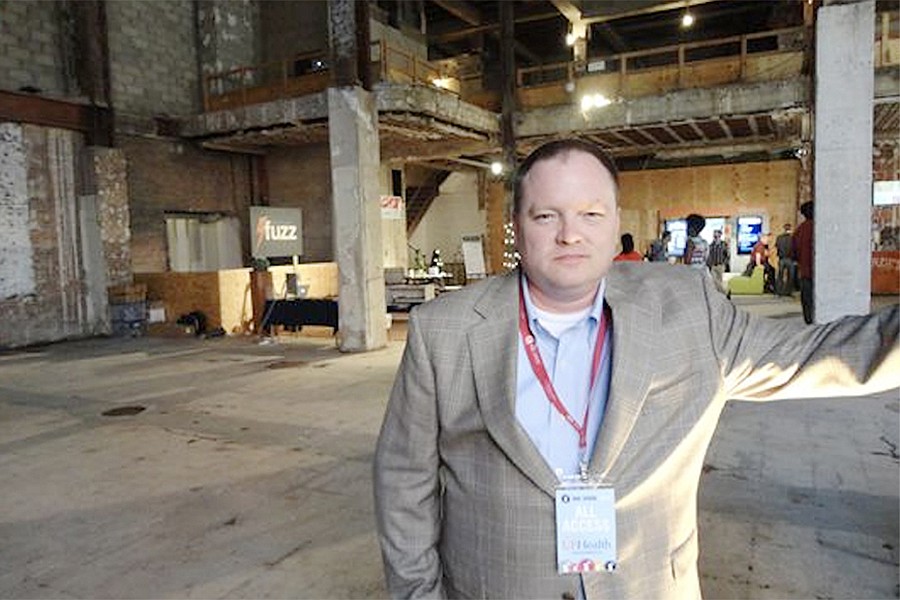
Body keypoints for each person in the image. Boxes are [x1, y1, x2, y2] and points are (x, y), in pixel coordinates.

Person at [373, 139, 898, 599]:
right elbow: (403, 482)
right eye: (545, 215)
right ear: (517, 226)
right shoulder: (443, 331)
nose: (569, 234)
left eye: (591, 214)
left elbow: (827, 353)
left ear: (617, 222)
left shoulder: (688, 310)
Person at [794, 201, 815, 324]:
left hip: (806, 273)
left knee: (807, 302)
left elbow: (794, 252)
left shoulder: (800, 230)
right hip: (822, 274)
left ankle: (810, 324)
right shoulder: (822, 228)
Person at [775, 223, 796, 296]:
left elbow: (777, 246)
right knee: (791, 276)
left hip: (781, 258)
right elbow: (795, 248)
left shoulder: (779, 237)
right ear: (790, 229)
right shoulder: (793, 237)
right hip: (790, 259)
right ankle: (788, 292)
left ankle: (779, 292)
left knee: (780, 276)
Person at [706, 229, 729, 293]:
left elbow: (727, 255)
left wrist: (724, 263)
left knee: (719, 280)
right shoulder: (711, 245)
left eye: (716, 234)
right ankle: (724, 292)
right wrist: (709, 264)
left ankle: (719, 293)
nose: (715, 235)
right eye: (714, 234)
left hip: (720, 265)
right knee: (714, 280)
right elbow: (709, 255)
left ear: (720, 235)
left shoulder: (723, 244)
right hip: (713, 265)